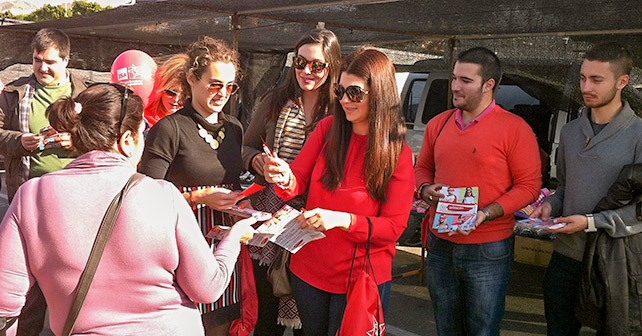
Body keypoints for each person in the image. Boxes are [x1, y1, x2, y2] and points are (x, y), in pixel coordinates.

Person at [0, 83, 255, 336]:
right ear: (127, 140)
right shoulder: (163, 196)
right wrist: (233, 238)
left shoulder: (31, 196)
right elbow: (207, 288)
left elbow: (5, 304)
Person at [263, 48, 415, 335]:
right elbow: (298, 180)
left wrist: (342, 220)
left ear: (379, 93)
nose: (345, 100)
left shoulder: (398, 154)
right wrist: (283, 176)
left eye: (355, 93)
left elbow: (393, 228)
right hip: (309, 270)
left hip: (361, 277)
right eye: (340, 90)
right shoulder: (327, 129)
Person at [414, 46, 542, 335]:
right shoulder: (439, 123)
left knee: (482, 330)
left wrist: (486, 213)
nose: (455, 86)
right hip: (440, 244)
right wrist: (424, 188)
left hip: (488, 249)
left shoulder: (515, 129)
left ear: (489, 85)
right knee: (446, 327)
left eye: (465, 81)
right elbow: (421, 168)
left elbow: (530, 186)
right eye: (455, 78)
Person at [530, 42, 642, 336]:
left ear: (622, 82)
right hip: (565, 258)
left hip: (616, 261)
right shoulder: (570, 132)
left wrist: (592, 222)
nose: (585, 86)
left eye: (596, 79)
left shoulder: (639, 135)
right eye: (582, 77)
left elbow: (640, 210)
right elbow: (565, 186)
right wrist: (551, 205)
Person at [139, 36, 247, 336]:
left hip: (223, 246)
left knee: (221, 324)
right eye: (214, 84)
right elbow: (145, 199)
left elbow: (232, 181)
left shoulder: (234, 128)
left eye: (230, 86)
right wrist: (198, 197)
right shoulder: (169, 129)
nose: (222, 93)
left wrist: (242, 203)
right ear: (192, 78)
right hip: (181, 247)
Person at [242, 28, 341, 335]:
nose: (306, 71)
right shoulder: (274, 100)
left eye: (317, 65)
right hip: (270, 218)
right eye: (300, 62)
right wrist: (257, 161)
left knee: (306, 318)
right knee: (265, 316)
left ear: (332, 67)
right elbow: (246, 147)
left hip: (313, 218)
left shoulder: (340, 110)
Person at [0, 27, 87, 335]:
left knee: (72, 274)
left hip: (76, 203)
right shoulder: (14, 92)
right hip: (28, 200)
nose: (42, 68)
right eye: (37, 60)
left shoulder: (85, 96)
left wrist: (75, 143)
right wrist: (17, 141)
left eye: (50, 61)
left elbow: (103, 141)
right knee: (29, 276)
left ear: (66, 60)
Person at [144, 53, 189, 128]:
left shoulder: (191, 119)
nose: (176, 99)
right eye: (171, 92)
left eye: (184, 94)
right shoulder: (143, 114)